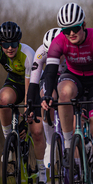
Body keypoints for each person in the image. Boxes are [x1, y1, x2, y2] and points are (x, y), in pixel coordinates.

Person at [41, 2, 93, 184]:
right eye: (66, 30)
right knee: (63, 92)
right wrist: (47, 95)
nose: (71, 33)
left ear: (84, 25)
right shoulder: (59, 41)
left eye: (75, 28)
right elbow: (50, 72)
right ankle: (67, 144)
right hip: (73, 80)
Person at [0, 21, 47, 184]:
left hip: (33, 86)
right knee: (3, 100)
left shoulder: (27, 54)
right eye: (6, 44)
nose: (10, 48)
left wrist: (28, 113)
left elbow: (29, 92)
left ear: (19, 42)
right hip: (13, 84)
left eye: (14, 44)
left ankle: (42, 176)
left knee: (36, 130)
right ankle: (9, 144)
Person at [27, 27, 64, 175]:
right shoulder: (40, 52)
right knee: (45, 96)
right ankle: (49, 143)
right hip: (49, 77)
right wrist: (30, 103)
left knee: (66, 94)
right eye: (50, 52)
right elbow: (34, 81)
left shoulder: (70, 49)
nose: (54, 55)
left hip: (67, 76)